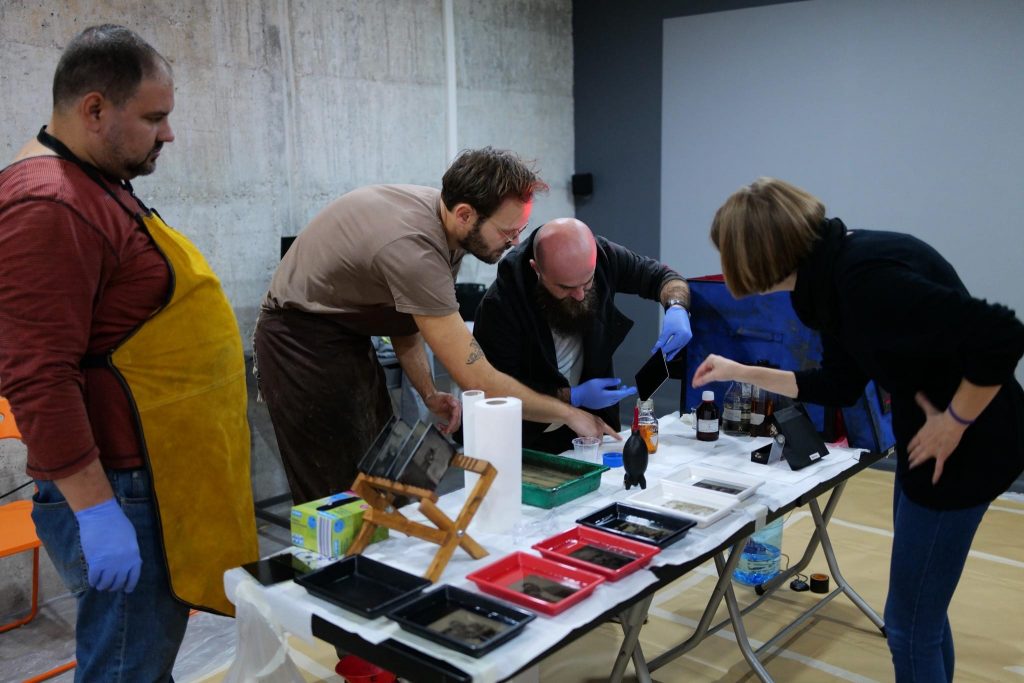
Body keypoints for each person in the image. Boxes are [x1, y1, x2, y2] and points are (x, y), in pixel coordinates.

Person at [0, 25, 258, 681]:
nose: (167, 134)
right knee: (125, 670)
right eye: (154, 117)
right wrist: (95, 511)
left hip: (147, 482)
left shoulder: (94, 182)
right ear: (93, 110)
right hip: (117, 490)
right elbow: (38, 376)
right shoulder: (47, 203)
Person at [691, 177, 1024, 682]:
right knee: (921, 615)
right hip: (926, 442)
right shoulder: (827, 283)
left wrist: (955, 422)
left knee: (909, 626)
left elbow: (1002, 335)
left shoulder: (865, 278)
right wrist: (739, 371)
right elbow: (839, 384)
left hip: (965, 449)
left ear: (757, 254)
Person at [254, 150, 617, 503]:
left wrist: (428, 392)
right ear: (465, 214)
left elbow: (404, 319)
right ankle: (344, 562)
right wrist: (570, 413)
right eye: (508, 231)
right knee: (339, 493)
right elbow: (479, 380)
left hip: (346, 337)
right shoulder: (416, 249)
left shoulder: (447, 227)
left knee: (378, 474)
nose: (516, 243)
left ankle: (373, 553)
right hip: (298, 342)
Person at [473, 217, 692, 453]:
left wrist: (677, 306)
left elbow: (664, 277)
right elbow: (500, 391)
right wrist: (572, 397)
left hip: (590, 429)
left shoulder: (604, 256)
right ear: (537, 269)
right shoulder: (502, 304)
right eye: (565, 288)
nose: (579, 295)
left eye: (587, 283)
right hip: (525, 439)